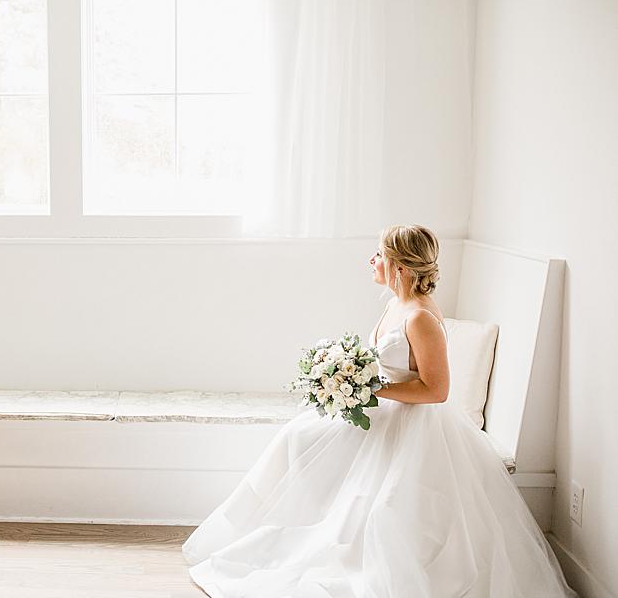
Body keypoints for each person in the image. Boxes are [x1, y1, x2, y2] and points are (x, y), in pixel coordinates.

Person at [181, 225, 578, 597]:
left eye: (378, 255)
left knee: (384, 503)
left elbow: (437, 390)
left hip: (414, 422)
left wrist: (368, 388)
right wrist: (347, 377)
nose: (372, 261)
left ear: (400, 266)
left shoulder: (421, 317)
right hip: (385, 411)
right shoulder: (395, 304)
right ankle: (285, 524)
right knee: (298, 437)